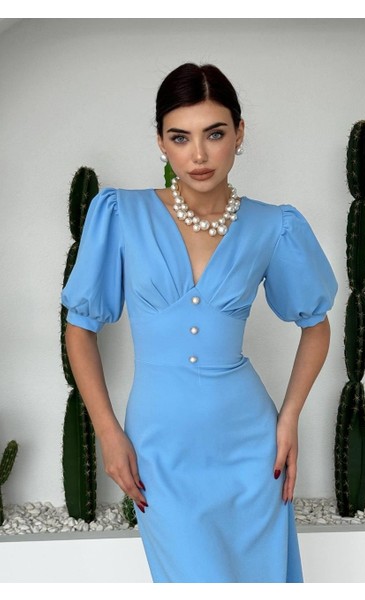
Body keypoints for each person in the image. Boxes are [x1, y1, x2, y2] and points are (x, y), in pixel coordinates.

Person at [62, 62, 338, 583]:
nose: (199, 155)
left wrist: (289, 417)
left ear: (239, 133)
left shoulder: (272, 225)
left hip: (250, 447)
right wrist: (108, 432)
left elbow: (316, 324)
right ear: (161, 142)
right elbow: (80, 329)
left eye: (214, 133)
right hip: (159, 445)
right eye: (180, 137)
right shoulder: (122, 214)